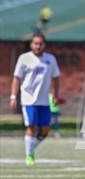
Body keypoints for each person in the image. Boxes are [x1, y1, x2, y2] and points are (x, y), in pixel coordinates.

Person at [10, 33, 60, 166]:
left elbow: (56, 78)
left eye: (40, 43)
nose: (38, 46)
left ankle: (30, 148)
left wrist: (55, 95)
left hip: (44, 101)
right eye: (35, 43)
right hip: (28, 100)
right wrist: (13, 96)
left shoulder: (50, 59)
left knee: (45, 130)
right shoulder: (24, 58)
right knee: (31, 126)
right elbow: (16, 78)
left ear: (44, 45)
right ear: (31, 45)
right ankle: (29, 156)